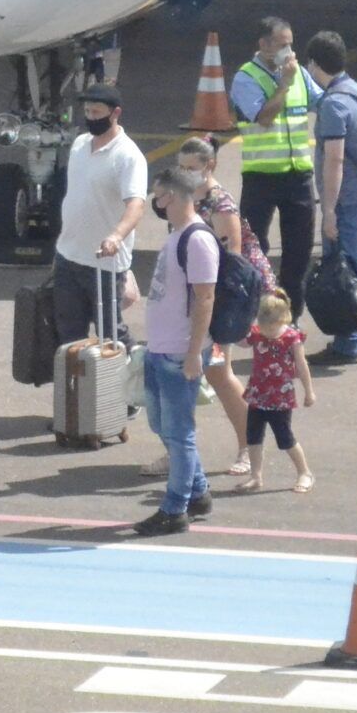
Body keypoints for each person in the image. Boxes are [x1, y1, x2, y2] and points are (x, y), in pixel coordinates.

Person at [175, 135, 265, 476]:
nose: (185, 174)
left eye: (191, 168)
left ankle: (248, 447)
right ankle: (177, 452)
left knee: (219, 374)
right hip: (186, 298)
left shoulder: (220, 205)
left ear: (209, 166)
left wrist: (212, 314)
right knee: (177, 376)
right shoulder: (185, 197)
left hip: (215, 301)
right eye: (180, 168)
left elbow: (231, 264)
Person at [137, 169, 219, 536]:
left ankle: (174, 509)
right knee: (160, 423)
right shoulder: (177, 237)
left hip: (178, 353)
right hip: (160, 348)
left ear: (171, 196)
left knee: (179, 431)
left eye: (158, 196)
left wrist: (192, 354)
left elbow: (205, 299)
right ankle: (197, 490)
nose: (155, 203)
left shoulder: (197, 241)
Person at [228, 17, 317, 325]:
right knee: (254, 248)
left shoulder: (299, 73)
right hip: (262, 175)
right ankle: (256, 311)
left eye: (290, 44)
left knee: (299, 250)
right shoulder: (247, 77)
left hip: (298, 174)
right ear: (263, 45)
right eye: (281, 45)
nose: (288, 51)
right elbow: (263, 117)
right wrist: (284, 85)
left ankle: (291, 316)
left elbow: (323, 99)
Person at [52, 85, 149, 344]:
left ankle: (129, 379)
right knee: (69, 334)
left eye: (97, 112)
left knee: (111, 335)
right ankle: (74, 384)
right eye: (87, 111)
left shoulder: (128, 156)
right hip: (68, 256)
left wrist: (116, 237)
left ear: (115, 113)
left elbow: (136, 205)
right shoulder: (80, 145)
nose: (91, 117)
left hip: (103, 264)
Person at [307, 32, 357, 363]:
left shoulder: (334, 104)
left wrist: (329, 211)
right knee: (353, 264)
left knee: (343, 271)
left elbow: (335, 159)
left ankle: (350, 340)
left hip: (344, 199)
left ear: (315, 64)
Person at [240, 290, 319, 494]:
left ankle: (304, 472)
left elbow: (302, 366)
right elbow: (240, 341)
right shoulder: (257, 333)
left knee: (285, 438)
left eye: (270, 327)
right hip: (258, 394)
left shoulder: (291, 338)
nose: (265, 331)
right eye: (263, 326)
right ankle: (256, 476)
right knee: (253, 437)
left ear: (282, 319)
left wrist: (309, 391)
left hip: (280, 398)